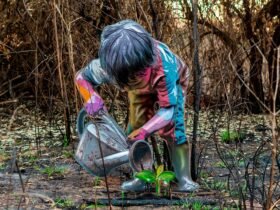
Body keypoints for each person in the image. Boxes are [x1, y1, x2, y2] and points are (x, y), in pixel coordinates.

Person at [75, 19, 199, 192]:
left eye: (138, 75)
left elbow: (167, 110)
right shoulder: (108, 67)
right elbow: (81, 77)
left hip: (172, 84)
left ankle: (184, 178)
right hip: (141, 91)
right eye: (128, 79)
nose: (134, 80)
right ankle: (141, 178)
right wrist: (90, 97)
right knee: (134, 128)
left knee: (174, 130)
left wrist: (146, 131)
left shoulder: (165, 67)